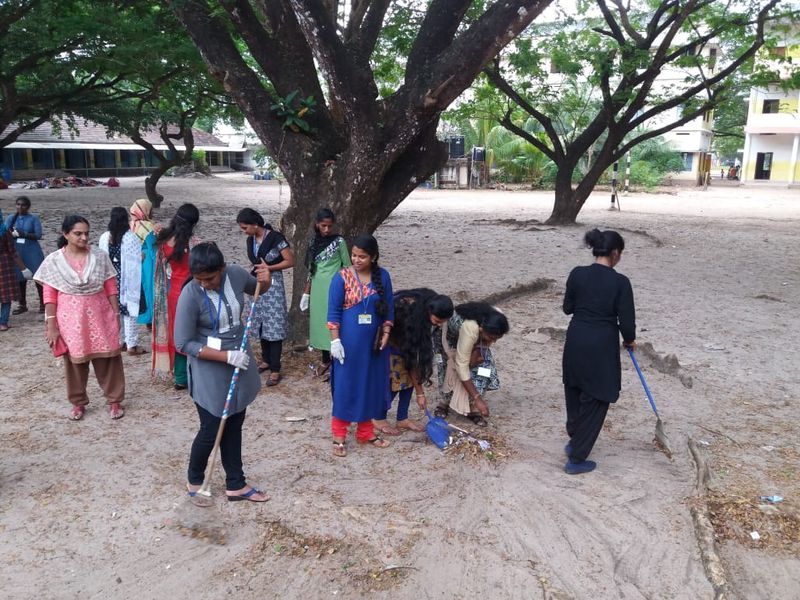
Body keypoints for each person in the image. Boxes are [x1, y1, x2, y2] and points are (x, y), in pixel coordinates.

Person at [174, 242, 272, 502]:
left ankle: (235, 483)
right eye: (200, 279)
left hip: (239, 359)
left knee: (235, 420)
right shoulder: (190, 294)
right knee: (212, 426)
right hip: (210, 365)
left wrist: (267, 279)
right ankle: (195, 478)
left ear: (222, 268)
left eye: (210, 278)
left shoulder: (236, 274)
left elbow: (259, 289)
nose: (205, 283)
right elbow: (182, 343)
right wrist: (226, 356)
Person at [34, 215, 125, 420]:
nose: (84, 237)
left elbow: (110, 287)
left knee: (108, 357)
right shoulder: (54, 261)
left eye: (86, 233)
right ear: (65, 234)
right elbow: (49, 295)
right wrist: (51, 325)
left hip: (100, 315)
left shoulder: (99, 256)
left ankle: (114, 400)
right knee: (74, 361)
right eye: (78, 233)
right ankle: (78, 402)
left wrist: (115, 313)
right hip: (70, 319)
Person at [562, 229, 635, 475]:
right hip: (601, 344)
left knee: (574, 388)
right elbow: (627, 323)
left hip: (575, 338)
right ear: (615, 253)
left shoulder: (577, 274)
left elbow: (567, 308)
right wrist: (630, 340)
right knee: (598, 396)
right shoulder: (620, 282)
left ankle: (575, 438)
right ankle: (576, 458)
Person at [327, 234, 394, 457]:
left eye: (362, 256)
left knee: (370, 384)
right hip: (348, 343)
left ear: (373, 257)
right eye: (354, 255)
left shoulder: (383, 276)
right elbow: (333, 311)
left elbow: (389, 308)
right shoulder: (342, 277)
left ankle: (365, 432)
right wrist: (335, 340)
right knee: (346, 385)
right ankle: (339, 435)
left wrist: (386, 332)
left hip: (374, 344)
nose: (356, 260)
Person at [376, 288, 454, 435]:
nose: (439, 325)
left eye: (443, 322)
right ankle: (378, 417)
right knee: (395, 381)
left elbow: (413, 361)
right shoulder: (407, 313)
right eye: (437, 321)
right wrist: (420, 394)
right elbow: (411, 361)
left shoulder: (428, 304)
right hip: (387, 341)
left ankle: (402, 418)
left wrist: (419, 392)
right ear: (429, 311)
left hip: (402, 343)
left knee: (410, 379)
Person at [236, 208, 295, 386]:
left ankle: (275, 368)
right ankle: (266, 359)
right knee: (261, 322)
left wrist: (269, 268)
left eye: (245, 227)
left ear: (255, 224)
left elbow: (290, 261)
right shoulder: (250, 240)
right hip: (257, 283)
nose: (244, 231)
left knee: (274, 325)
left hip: (273, 285)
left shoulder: (276, 238)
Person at [433, 302, 509, 427]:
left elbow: (479, 353)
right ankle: (444, 402)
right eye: (492, 338)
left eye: (497, 338)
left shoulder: (497, 319)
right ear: (481, 329)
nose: (494, 342)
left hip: (476, 339)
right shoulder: (470, 327)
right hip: (449, 338)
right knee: (449, 368)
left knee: (484, 369)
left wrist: (479, 350)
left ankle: (472, 408)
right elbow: (461, 366)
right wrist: (477, 397)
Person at [152, 203, 199, 389]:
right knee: (195, 332)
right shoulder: (194, 243)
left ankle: (180, 377)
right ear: (194, 223)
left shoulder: (164, 240)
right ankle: (195, 374)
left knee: (177, 333)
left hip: (173, 293)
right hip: (193, 290)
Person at [300, 208, 351, 379]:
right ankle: (325, 359)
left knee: (334, 322)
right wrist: (306, 293)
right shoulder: (313, 242)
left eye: (330, 226)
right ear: (317, 224)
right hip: (318, 290)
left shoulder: (339, 242)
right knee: (321, 324)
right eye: (323, 226)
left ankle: (336, 362)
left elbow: (347, 266)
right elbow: (311, 271)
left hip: (336, 288)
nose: (327, 229)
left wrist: (347, 288)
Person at [98, 207, 145, 355]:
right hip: (128, 280)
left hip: (111, 279)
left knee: (115, 311)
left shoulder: (105, 237)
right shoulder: (130, 237)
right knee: (129, 311)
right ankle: (132, 344)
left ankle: (120, 341)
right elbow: (136, 260)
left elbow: (102, 258)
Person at [5, 196, 45, 314]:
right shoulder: (11, 218)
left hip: (32, 250)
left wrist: (24, 234)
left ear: (28, 207)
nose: (20, 207)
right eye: (18, 204)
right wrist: (11, 234)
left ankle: (43, 304)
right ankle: (22, 304)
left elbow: (38, 235)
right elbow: (5, 233)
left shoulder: (33, 218)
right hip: (17, 250)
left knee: (37, 276)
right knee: (19, 277)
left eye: (23, 205)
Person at [0, 210, 33, 331]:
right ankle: (2, 323)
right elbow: (13, 252)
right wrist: (24, 269)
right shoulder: (4, 232)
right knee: (6, 295)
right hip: (4, 266)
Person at [129, 199, 156, 326]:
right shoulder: (148, 226)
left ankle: (141, 315)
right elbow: (152, 247)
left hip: (133, 260)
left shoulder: (130, 225)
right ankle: (150, 317)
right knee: (150, 288)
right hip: (148, 261)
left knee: (139, 288)